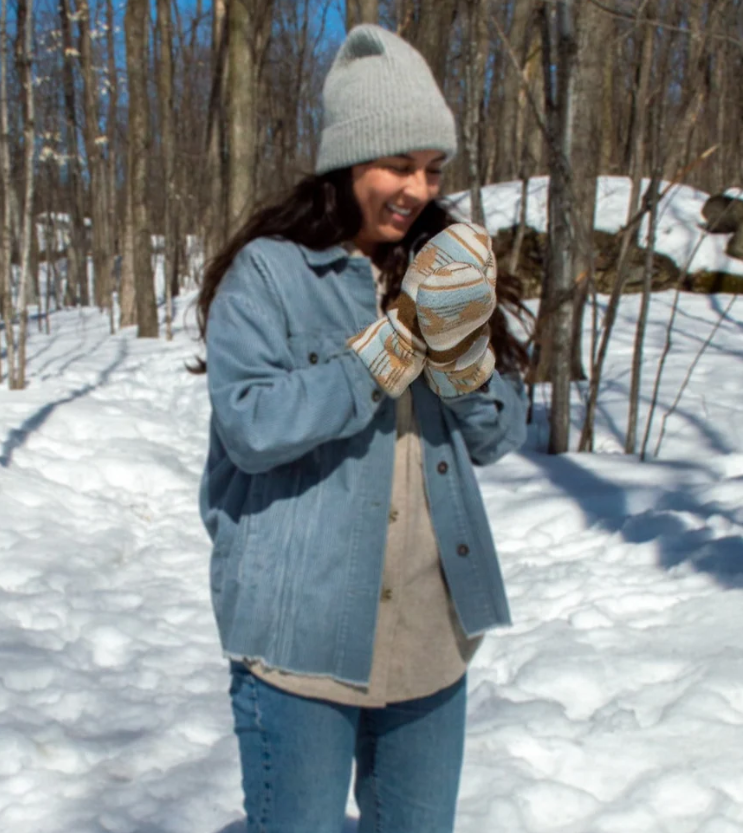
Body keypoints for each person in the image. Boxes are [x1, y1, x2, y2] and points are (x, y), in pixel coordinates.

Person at [195, 23, 529, 833]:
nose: (417, 187)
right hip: (301, 634)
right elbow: (251, 425)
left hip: (429, 630)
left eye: (432, 168)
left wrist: (462, 357)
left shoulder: (442, 265)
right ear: (347, 162)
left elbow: (496, 436)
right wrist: (389, 347)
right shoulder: (271, 272)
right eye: (397, 164)